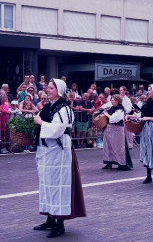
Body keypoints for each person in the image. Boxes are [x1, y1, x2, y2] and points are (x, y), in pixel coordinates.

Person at [33, 79, 86, 238]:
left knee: (58, 185)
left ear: (59, 90)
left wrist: (40, 121)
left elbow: (57, 129)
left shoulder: (63, 108)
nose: (47, 90)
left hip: (59, 151)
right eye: (47, 87)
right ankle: (50, 218)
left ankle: (60, 223)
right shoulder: (49, 106)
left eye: (50, 88)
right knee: (47, 184)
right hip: (48, 151)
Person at [102, 94, 133, 170]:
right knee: (108, 146)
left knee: (118, 147)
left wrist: (107, 115)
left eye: (112, 100)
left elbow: (113, 119)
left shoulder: (120, 109)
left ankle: (121, 163)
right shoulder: (112, 107)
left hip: (117, 129)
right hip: (109, 129)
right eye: (111, 100)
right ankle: (108, 162)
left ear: (117, 101)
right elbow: (104, 108)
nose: (111, 101)